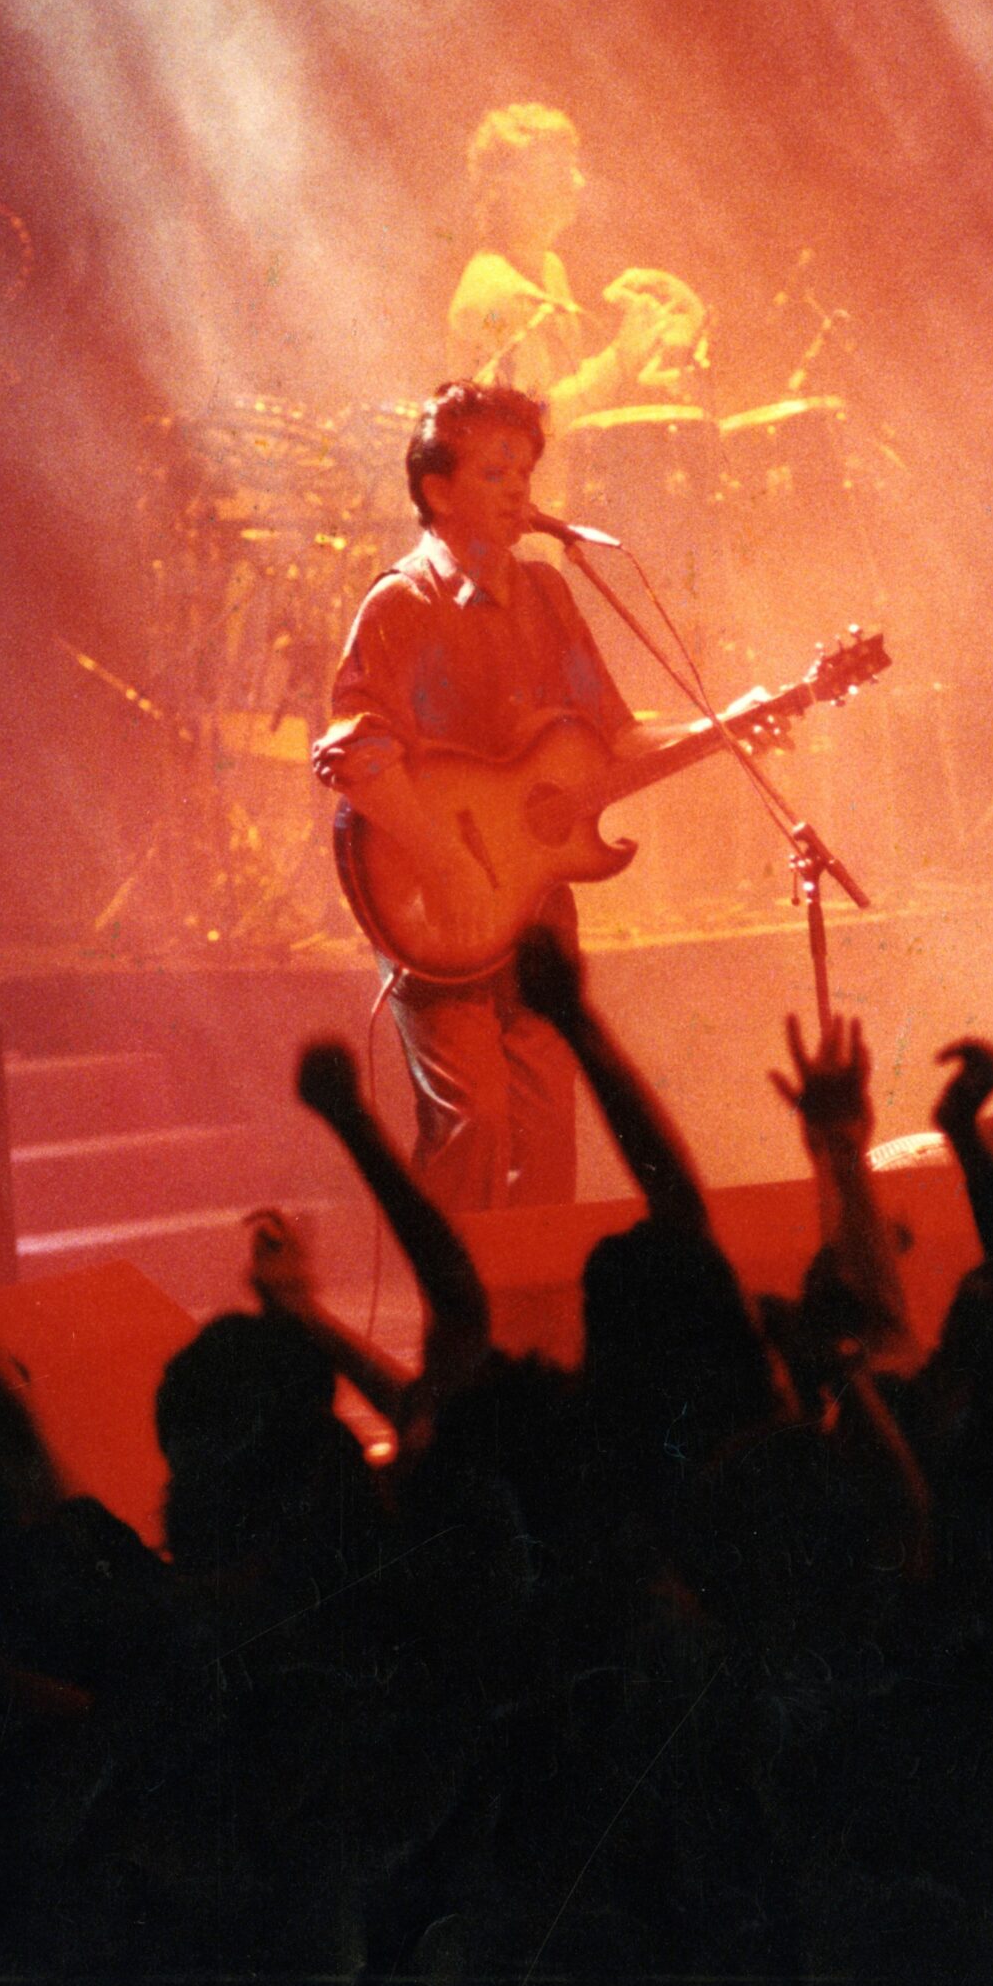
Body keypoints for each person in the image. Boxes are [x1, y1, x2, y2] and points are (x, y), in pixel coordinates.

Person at [311, 379, 650, 1211]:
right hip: (436, 902)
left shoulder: (550, 593)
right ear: (436, 490)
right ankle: (459, 1325)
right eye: (495, 473)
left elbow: (618, 735)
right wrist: (446, 864)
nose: (519, 492)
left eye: (525, 473)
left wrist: (740, 719)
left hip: (535, 908)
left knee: (546, 1129)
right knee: (474, 1121)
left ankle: (541, 1327)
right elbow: (354, 756)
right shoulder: (402, 603)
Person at [446, 104, 704, 462]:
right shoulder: (492, 300)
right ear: (515, 190)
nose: (579, 182)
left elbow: (564, 395)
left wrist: (646, 363)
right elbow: (530, 422)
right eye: (559, 172)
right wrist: (618, 359)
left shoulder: (549, 268)